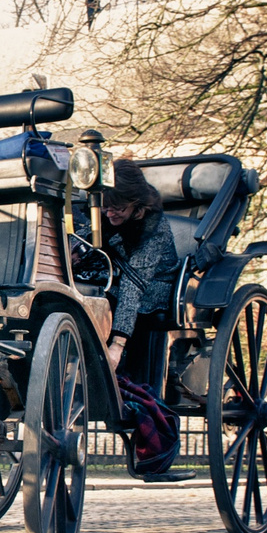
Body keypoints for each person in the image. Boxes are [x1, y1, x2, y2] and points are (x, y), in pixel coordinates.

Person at [74, 159, 180, 374]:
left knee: (110, 299)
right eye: (106, 208)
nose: (110, 213)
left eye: (118, 209)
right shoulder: (108, 211)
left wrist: (117, 345)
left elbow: (133, 287)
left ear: (135, 203)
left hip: (152, 283)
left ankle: (118, 369)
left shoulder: (154, 229)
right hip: (115, 269)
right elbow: (90, 234)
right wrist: (75, 250)